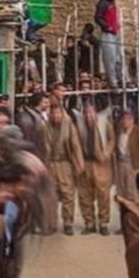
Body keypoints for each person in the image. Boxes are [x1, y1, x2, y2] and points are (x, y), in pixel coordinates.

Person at [35, 100, 84, 235]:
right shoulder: (44, 128)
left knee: (68, 195)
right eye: (54, 114)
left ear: (62, 114)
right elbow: (40, 148)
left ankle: (68, 223)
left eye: (59, 114)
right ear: (50, 114)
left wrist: (79, 164)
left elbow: (76, 146)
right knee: (51, 196)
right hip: (50, 164)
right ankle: (51, 223)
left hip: (65, 164)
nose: (56, 117)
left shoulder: (69, 126)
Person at [73, 97, 115, 235]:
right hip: (86, 162)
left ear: (95, 112)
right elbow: (76, 143)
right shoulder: (79, 125)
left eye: (91, 112)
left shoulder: (105, 124)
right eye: (86, 113)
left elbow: (111, 139)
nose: (89, 116)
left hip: (101, 163)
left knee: (103, 194)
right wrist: (79, 163)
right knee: (85, 194)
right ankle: (89, 223)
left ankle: (103, 223)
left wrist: (106, 153)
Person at [94, 0, 124, 88]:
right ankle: (113, 82)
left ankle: (121, 79)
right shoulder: (102, 3)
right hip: (108, 33)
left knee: (118, 58)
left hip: (116, 32)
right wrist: (107, 27)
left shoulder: (112, 3)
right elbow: (97, 17)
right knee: (110, 59)